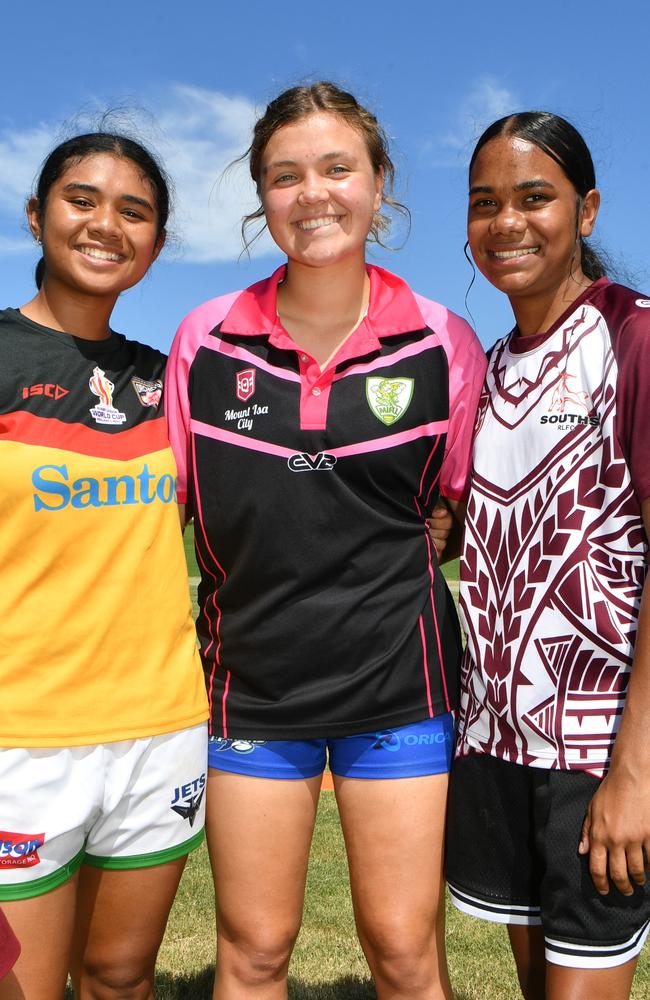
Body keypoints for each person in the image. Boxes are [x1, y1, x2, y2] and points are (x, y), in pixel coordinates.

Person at [165, 81, 486, 999]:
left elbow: (452, 508)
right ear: (261, 194)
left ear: (379, 183)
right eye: (285, 175)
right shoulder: (206, 341)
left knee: (403, 952)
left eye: (338, 169)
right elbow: (170, 515)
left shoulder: (441, 341)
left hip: (400, 688)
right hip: (251, 691)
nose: (314, 194)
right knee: (256, 951)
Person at [444, 112, 650, 999]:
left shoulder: (633, 337)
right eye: (485, 203)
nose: (507, 223)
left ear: (587, 210)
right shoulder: (483, 369)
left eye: (535, 198)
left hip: (600, 751)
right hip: (492, 741)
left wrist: (634, 775)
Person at [0, 132, 208, 999]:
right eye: (82, 199)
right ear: (36, 213)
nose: (105, 224)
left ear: (156, 247)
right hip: (22, 738)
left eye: (135, 212)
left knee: (121, 977)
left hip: (160, 730)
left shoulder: (176, 384)